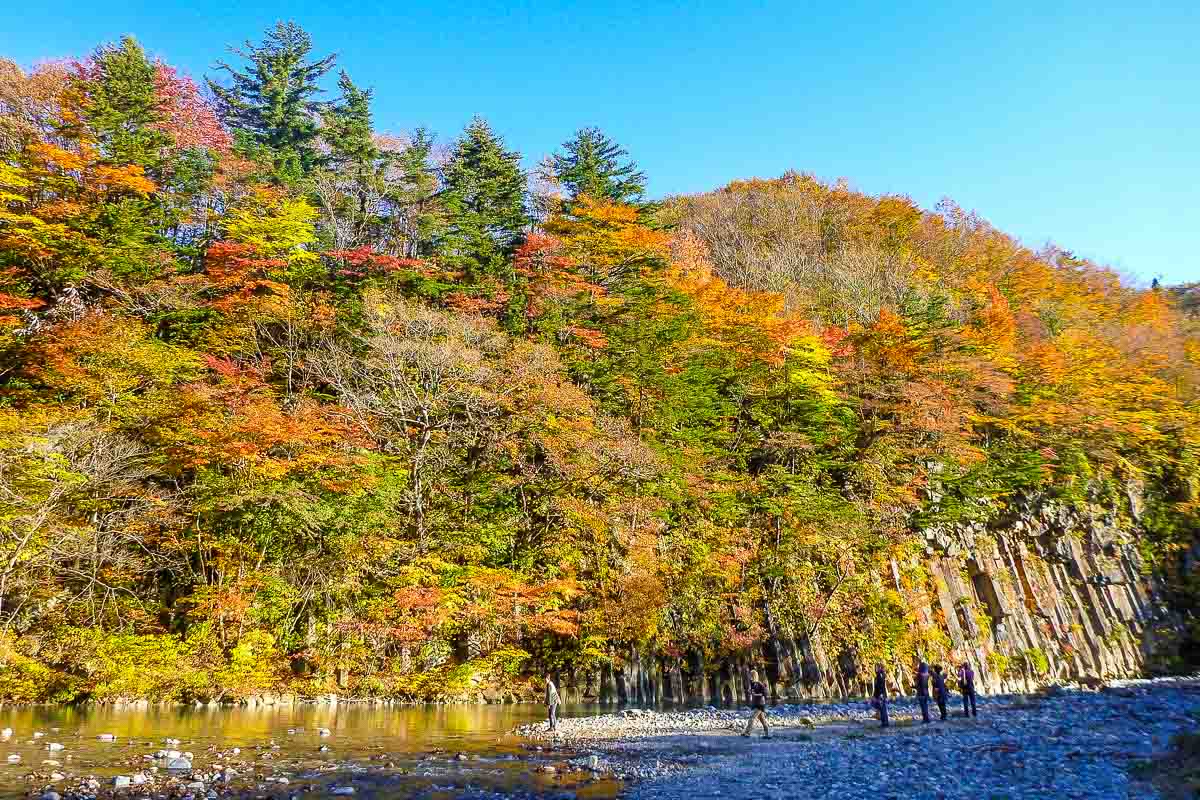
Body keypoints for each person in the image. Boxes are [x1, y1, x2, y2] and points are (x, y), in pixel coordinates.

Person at [741, 669, 771, 738]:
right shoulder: (752, 683)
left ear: (753, 676)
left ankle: (747, 733)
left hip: (760, 704)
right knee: (762, 720)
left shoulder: (760, 684)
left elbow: (765, 694)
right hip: (755, 704)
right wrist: (750, 692)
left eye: (750, 675)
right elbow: (752, 692)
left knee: (752, 718)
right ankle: (767, 734)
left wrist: (756, 694)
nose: (749, 676)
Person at [872, 663, 889, 728]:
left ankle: (885, 723)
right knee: (882, 709)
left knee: (883, 709)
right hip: (880, 694)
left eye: (876, 667)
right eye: (875, 667)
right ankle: (884, 722)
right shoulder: (879, 675)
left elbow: (881, 686)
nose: (875, 669)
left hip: (881, 695)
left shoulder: (880, 675)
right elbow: (877, 687)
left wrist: (880, 695)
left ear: (880, 668)